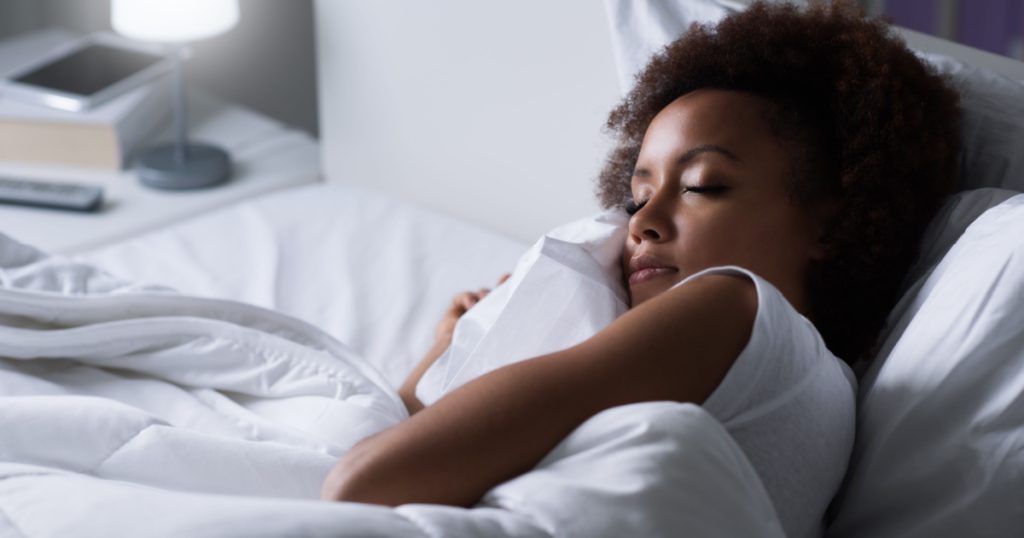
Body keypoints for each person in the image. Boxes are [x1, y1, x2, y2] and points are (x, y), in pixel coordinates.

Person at [321, 1, 961, 536]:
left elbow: (363, 477)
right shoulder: (820, 393)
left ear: (831, 221)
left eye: (704, 185)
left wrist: (443, 369)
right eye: (636, 193)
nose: (640, 222)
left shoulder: (733, 308)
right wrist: (444, 350)